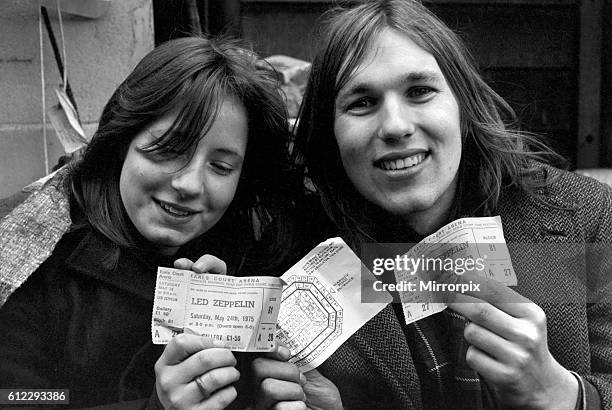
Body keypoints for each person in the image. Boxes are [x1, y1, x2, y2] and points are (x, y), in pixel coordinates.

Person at [290, 1, 612, 409]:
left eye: (420, 91)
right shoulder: (298, 256)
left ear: (462, 106)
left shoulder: (587, 215)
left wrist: (564, 395)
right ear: (329, 133)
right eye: (362, 102)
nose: (396, 126)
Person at [0, 36, 304, 409]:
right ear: (121, 140)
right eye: (169, 150)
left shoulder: (252, 256)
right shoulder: (28, 261)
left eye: (221, 167)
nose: (190, 184)